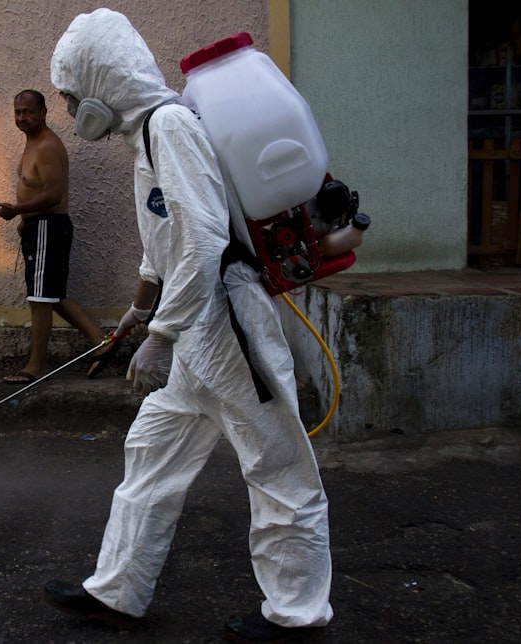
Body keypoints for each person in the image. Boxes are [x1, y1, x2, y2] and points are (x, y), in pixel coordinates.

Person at [43, 9, 333, 643]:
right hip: (192, 331)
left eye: (71, 94)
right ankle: (117, 592)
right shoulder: (144, 133)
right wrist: (139, 311)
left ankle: (298, 613)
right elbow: (164, 246)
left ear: (103, 77)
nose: (69, 107)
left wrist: (161, 337)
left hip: (223, 325)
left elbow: (203, 242)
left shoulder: (169, 125)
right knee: (150, 456)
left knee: (276, 465)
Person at [0, 89, 120, 384]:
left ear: (43, 113)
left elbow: (53, 194)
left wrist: (17, 210)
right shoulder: (32, 143)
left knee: (40, 298)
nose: (21, 117)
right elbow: (37, 189)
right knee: (52, 295)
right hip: (39, 226)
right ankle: (102, 340)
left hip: (49, 226)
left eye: (27, 112)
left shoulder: (47, 146)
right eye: (17, 112)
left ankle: (36, 367)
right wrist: (25, 220)